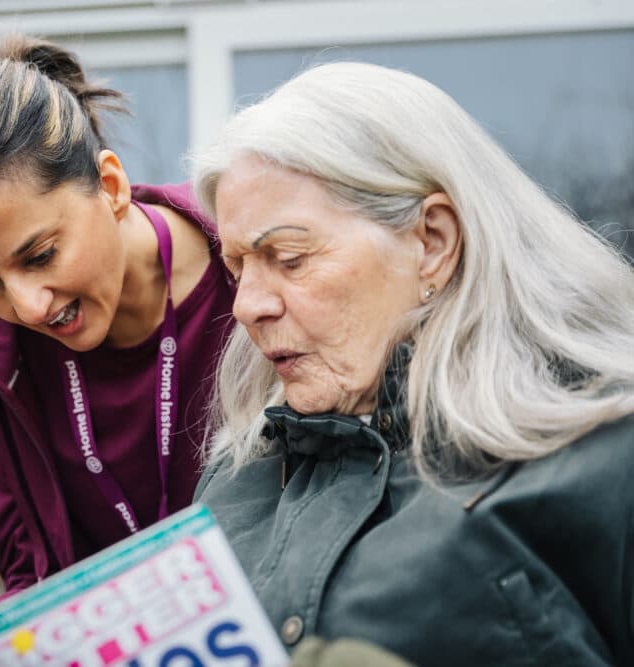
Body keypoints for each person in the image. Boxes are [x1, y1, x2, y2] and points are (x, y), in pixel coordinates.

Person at [191, 61, 634, 666]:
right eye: (238, 268)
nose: (247, 306)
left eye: (289, 258)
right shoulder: (237, 475)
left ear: (432, 242)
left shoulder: (606, 454)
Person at [0, 35, 236, 647]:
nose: (26, 307)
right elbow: (35, 576)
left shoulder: (254, 271)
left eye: (41, 255)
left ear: (110, 187)